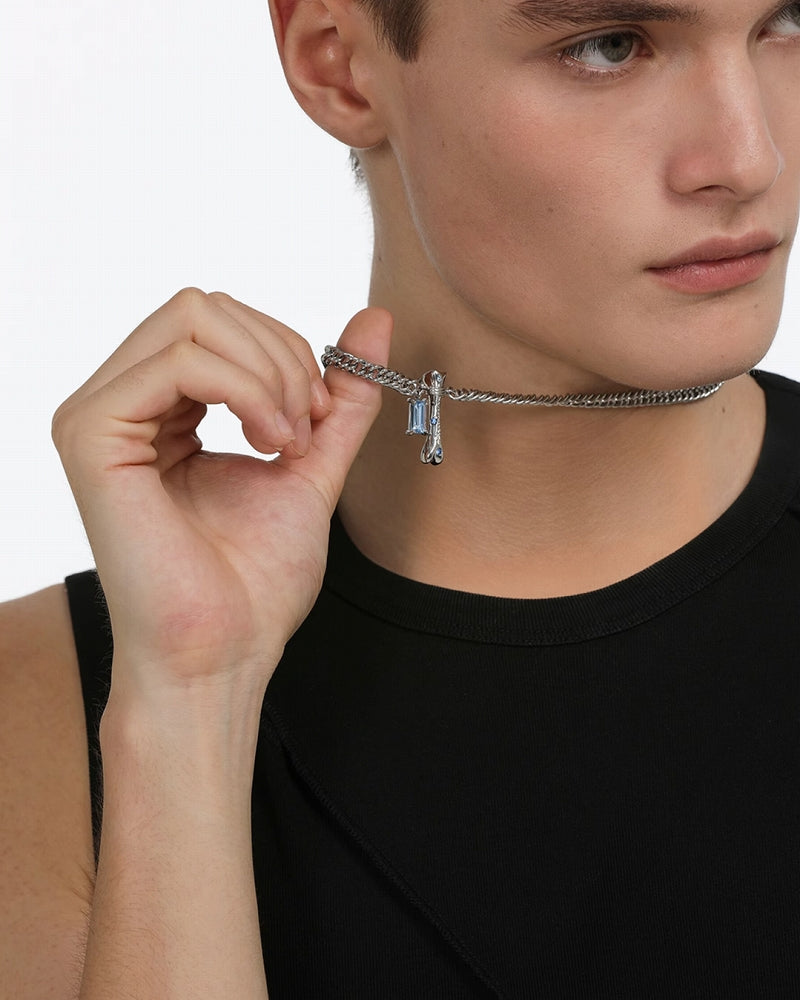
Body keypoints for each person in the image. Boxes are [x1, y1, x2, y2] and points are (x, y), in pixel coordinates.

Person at [2, 0, 800, 996]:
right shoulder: (33, 723)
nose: (749, 156)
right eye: (608, 47)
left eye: (786, 20)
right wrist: (185, 709)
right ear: (336, 62)